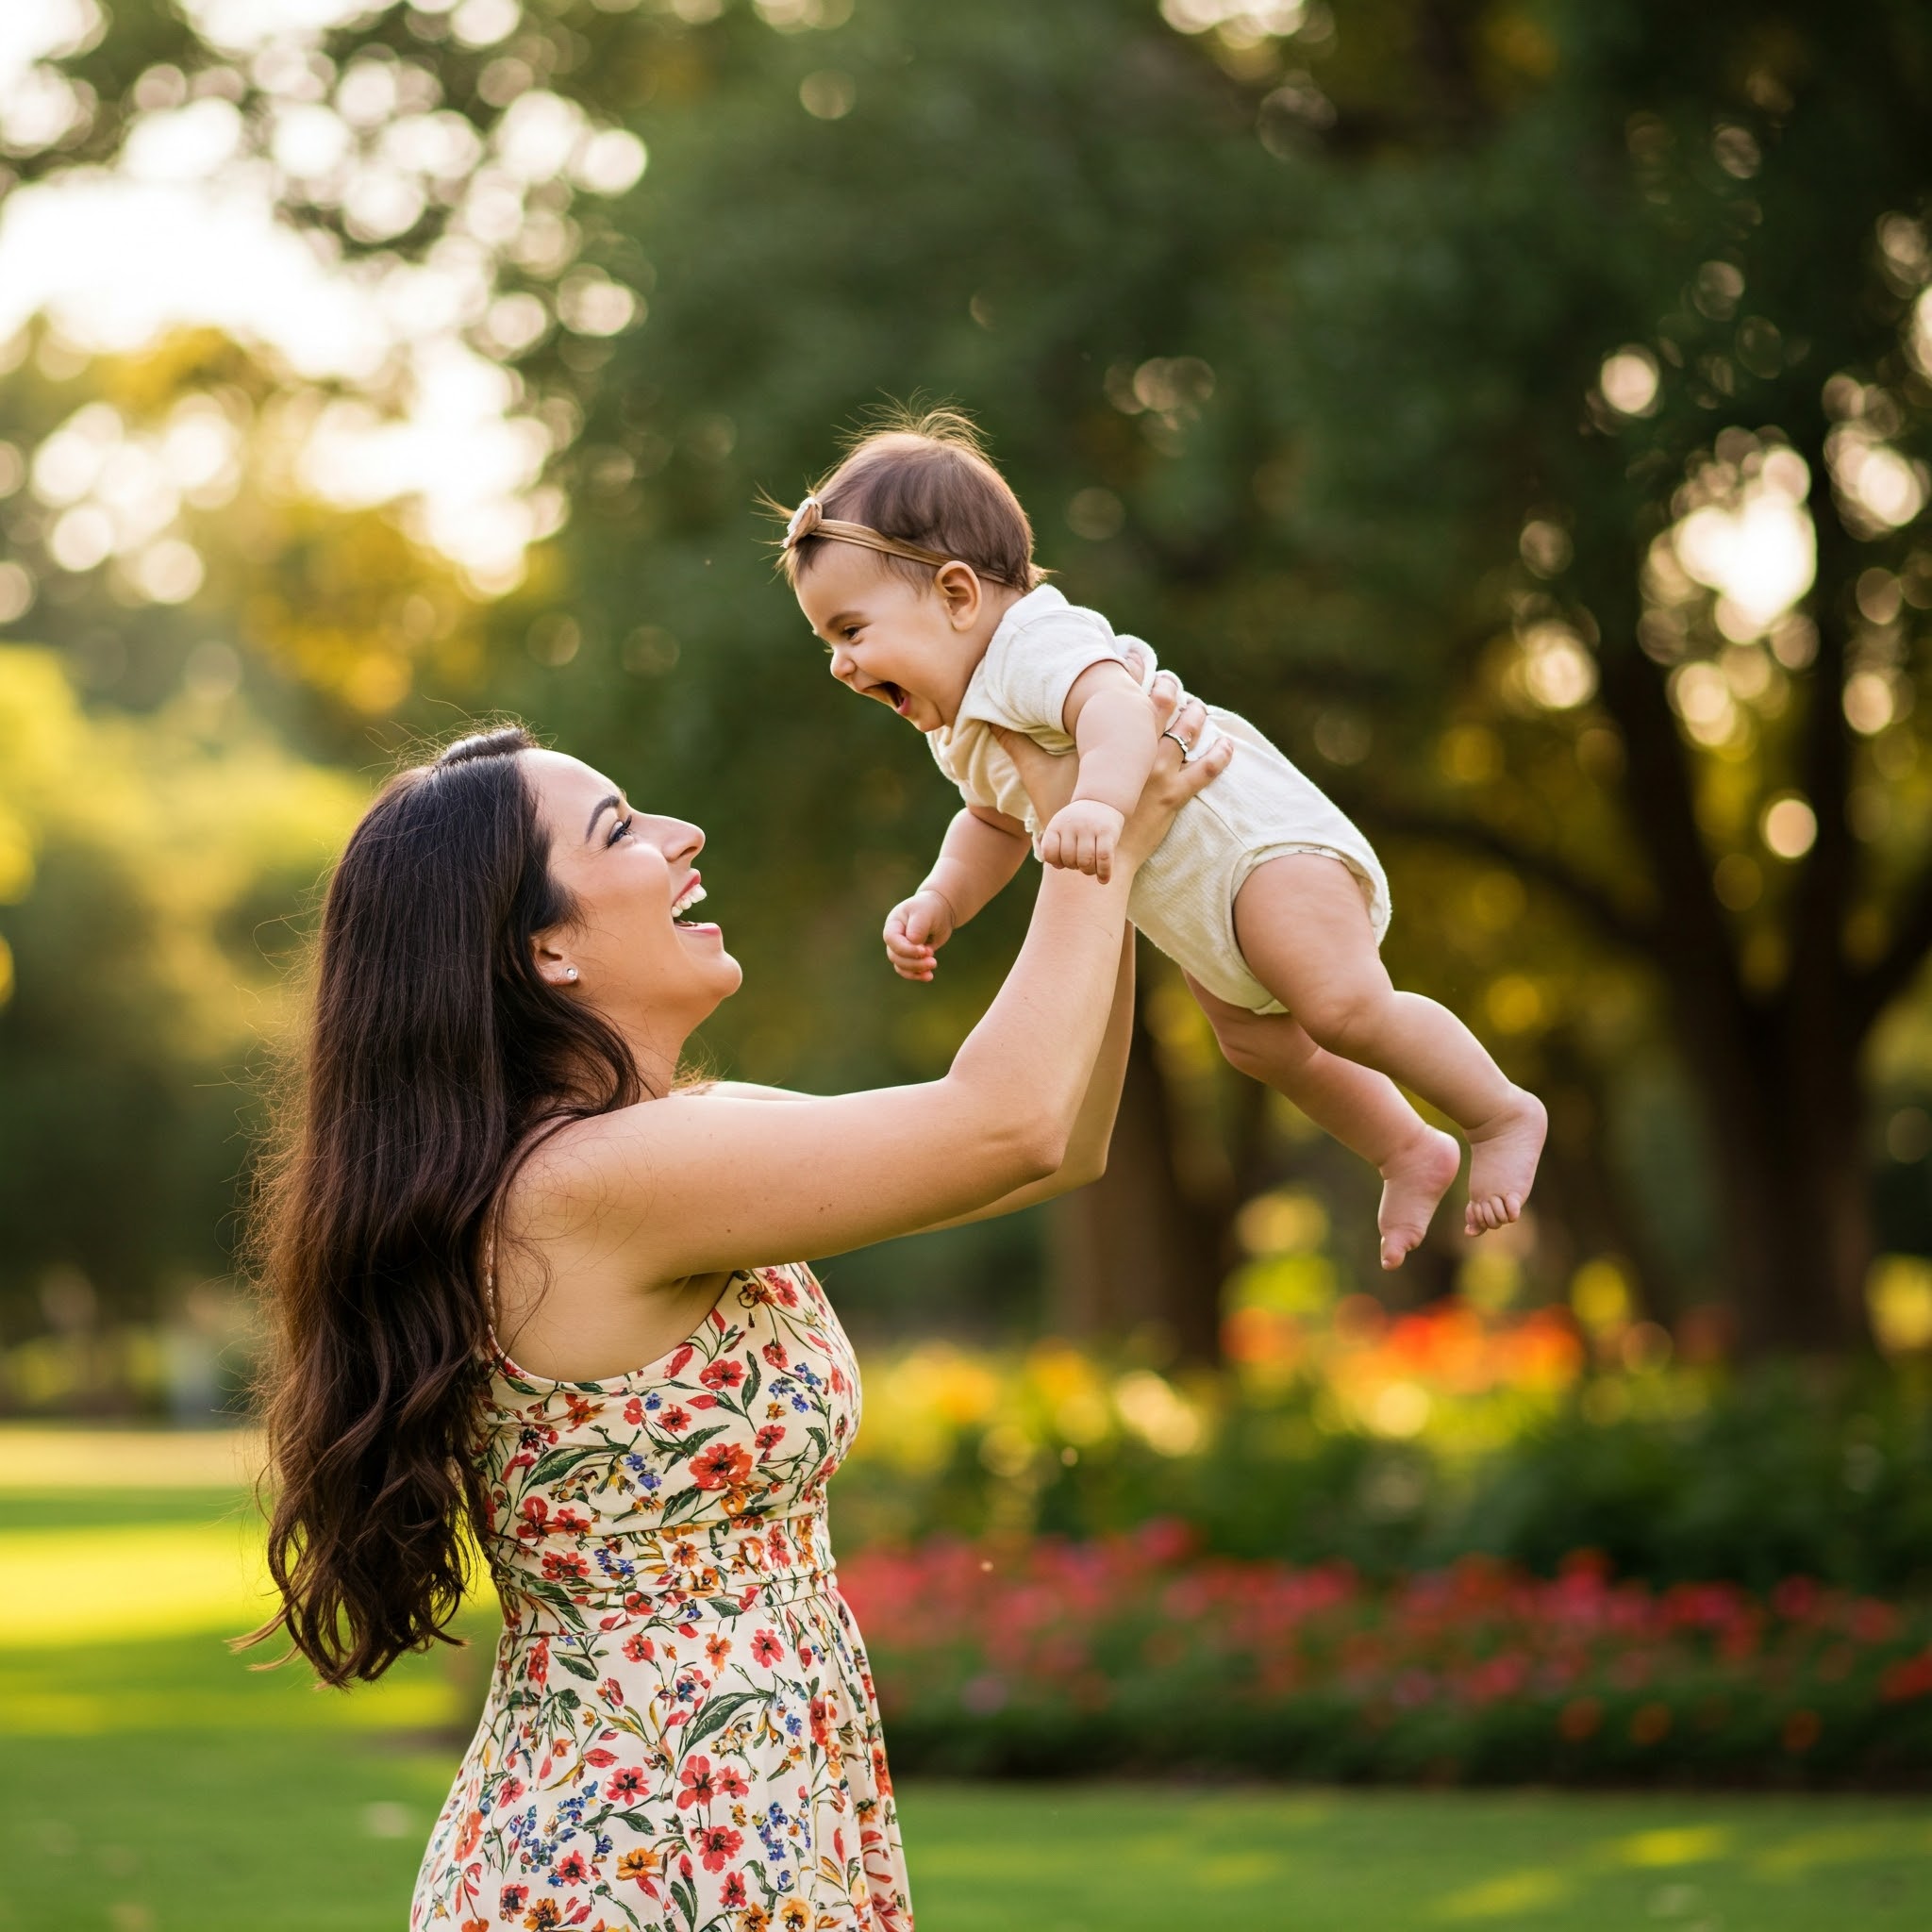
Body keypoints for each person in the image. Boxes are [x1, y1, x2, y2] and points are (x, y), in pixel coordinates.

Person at [242, 702, 1228, 1932]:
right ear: (548, 948)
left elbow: (1053, 1146)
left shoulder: (662, 1151)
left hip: (747, 1812)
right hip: (633, 1848)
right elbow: (1009, 1120)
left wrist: (1102, 855)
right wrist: (1099, 839)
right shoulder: (592, 1185)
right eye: (621, 828)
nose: (684, 834)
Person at [778, 408, 1548, 1269]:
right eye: (827, 643)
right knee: (1256, 1042)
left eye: (851, 631)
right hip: (1201, 907)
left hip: (1258, 848)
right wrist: (940, 899)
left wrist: (1103, 805)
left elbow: (1113, 707)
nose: (841, 664)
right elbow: (991, 822)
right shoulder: (956, 727)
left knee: (1340, 1006)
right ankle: (1406, 1146)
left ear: (958, 595)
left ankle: (1499, 1112)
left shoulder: (1031, 647)